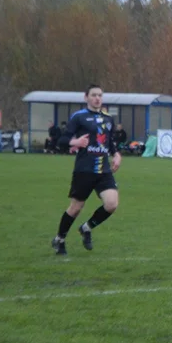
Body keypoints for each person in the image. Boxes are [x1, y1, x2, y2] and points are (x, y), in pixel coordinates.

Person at [51, 84, 122, 256]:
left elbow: (110, 141)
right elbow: (61, 140)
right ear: (86, 97)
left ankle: (86, 228)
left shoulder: (108, 118)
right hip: (84, 169)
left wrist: (116, 154)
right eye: (94, 95)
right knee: (76, 208)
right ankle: (59, 239)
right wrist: (74, 142)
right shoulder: (79, 117)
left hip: (103, 170)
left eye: (100, 95)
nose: (97, 98)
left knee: (112, 204)